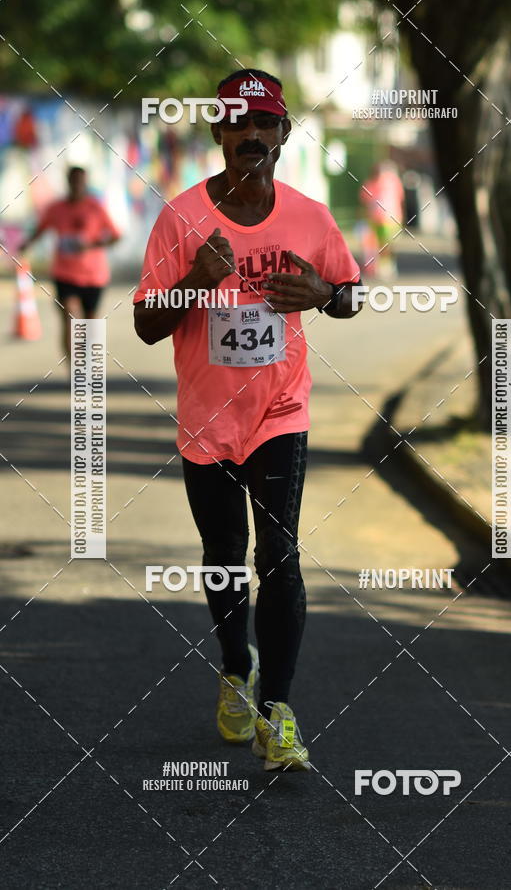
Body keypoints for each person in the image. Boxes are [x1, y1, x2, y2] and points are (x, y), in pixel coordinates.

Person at [133, 69, 362, 772]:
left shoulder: (310, 216)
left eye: (264, 124)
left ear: (283, 136)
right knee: (226, 555)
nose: (251, 135)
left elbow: (351, 294)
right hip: (207, 419)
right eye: (238, 123)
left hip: (279, 411)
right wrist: (196, 281)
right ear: (219, 136)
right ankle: (237, 665)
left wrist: (324, 293)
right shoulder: (180, 219)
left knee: (280, 555)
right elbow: (145, 324)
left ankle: (278, 713)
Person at [19, 166, 121, 357]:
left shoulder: (95, 208)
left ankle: (89, 363)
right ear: (68, 182)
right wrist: (24, 245)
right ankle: (75, 368)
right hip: (65, 274)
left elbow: (115, 236)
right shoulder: (56, 209)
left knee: (90, 323)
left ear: (85, 183)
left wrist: (91, 245)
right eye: (73, 181)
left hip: (94, 275)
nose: (77, 186)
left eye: (81, 182)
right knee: (71, 318)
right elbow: (40, 230)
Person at [359, 161, 404, 276]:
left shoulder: (392, 181)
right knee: (376, 244)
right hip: (375, 219)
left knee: (387, 243)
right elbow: (364, 202)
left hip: (391, 218)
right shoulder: (369, 184)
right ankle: (380, 266)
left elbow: (400, 198)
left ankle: (387, 265)